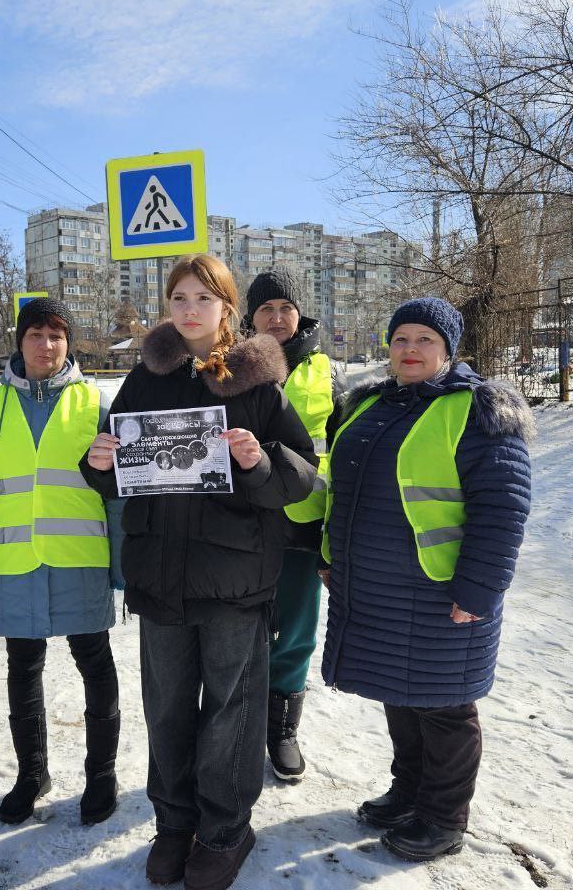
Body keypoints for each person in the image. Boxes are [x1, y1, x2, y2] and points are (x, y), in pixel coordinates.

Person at [82, 254, 317, 890]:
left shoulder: (256, 383)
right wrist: (97, 463)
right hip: (159, 578)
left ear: (227, 309)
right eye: (180, 298)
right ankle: (174, 824)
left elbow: (301, 476)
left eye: (204, 298)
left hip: (234, 582)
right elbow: (115, 470)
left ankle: (224, 830)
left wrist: (260, 459)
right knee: (166, 711)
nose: (190, 310)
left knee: (230, 713)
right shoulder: (144, 379)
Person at [319, 297, 534, 862]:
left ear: (448, 349)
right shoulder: (371, 404)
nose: (410, 349)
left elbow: (503, 507)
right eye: (401, 339)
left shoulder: (477, 410)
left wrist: (479, 590)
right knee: (401, 694)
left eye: (425, 340)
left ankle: (442, 818)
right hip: (378, 588)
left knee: (444, 708)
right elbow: (343, 492)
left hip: (443, 593)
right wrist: (330, 555)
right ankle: (409, 791)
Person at [0, 298, 125, 827]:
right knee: (22, 669)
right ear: (20, 341)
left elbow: (117, 493)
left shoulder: (94, 403)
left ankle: (102, 774)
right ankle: (32, 774)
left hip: (80, 560)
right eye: (36, 334)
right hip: (16, 564)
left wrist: (123, 565)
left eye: (56, 335)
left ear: (68, 343)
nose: (46, 345)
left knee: (95, 665)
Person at [242, 271, 348, 782]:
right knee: (237, 630)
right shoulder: (229, 366)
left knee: (296, 632)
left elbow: (345, 460)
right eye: (266, 309)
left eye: (286, 307)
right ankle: (240, 724)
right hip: (239, 526)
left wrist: (335, 540)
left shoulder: (328, 374)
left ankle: (282, 728)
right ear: (250, 317)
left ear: (299, 313)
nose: (278, 317)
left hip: (303, 527)